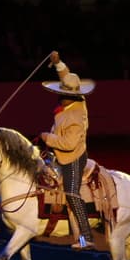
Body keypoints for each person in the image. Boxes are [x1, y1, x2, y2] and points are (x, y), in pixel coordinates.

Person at [38, 51, 97, 249]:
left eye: (61, 94)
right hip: (61, 154)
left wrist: (47, 137)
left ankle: (86, 237)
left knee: (71, 193)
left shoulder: (76, 117)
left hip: (72, 157)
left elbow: (68, 144)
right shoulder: (75, 97)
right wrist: (58, 63)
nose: (57, 96)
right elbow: (67, 77)